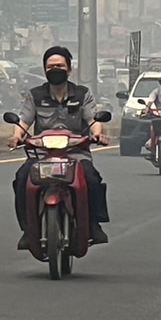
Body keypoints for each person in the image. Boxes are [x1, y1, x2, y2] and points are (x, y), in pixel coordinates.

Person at [10, 46, 110, 248]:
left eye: (60, 66)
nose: (55, 69)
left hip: (76, 154)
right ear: (44, 70)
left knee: (92, 179)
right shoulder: (35, 95)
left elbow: (93, 119)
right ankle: (29, 230)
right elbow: (23, 122)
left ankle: (94, 224)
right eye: (51, 67)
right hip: (41, 155)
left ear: (69, 69)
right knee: (21, 179)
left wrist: (98, 133)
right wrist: (16, 136)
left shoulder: (82, 94)